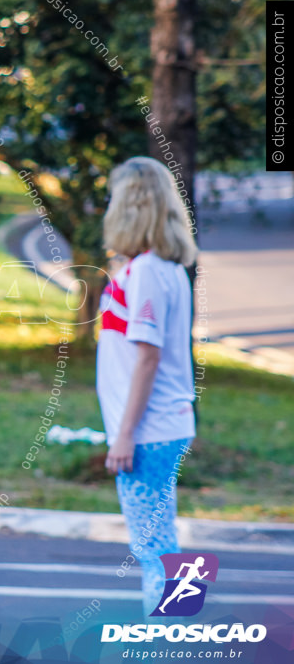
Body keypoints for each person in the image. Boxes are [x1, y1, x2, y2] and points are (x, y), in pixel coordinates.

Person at [97, 156, 199, 616]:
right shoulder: (161, 269)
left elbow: (148, 357)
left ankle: (168, 641)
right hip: (161, 426)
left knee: (154, 550)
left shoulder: (150, 273)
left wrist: (124, 434)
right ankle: (179, 636)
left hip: (148, 431)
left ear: (130, 205)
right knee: (162, 545)